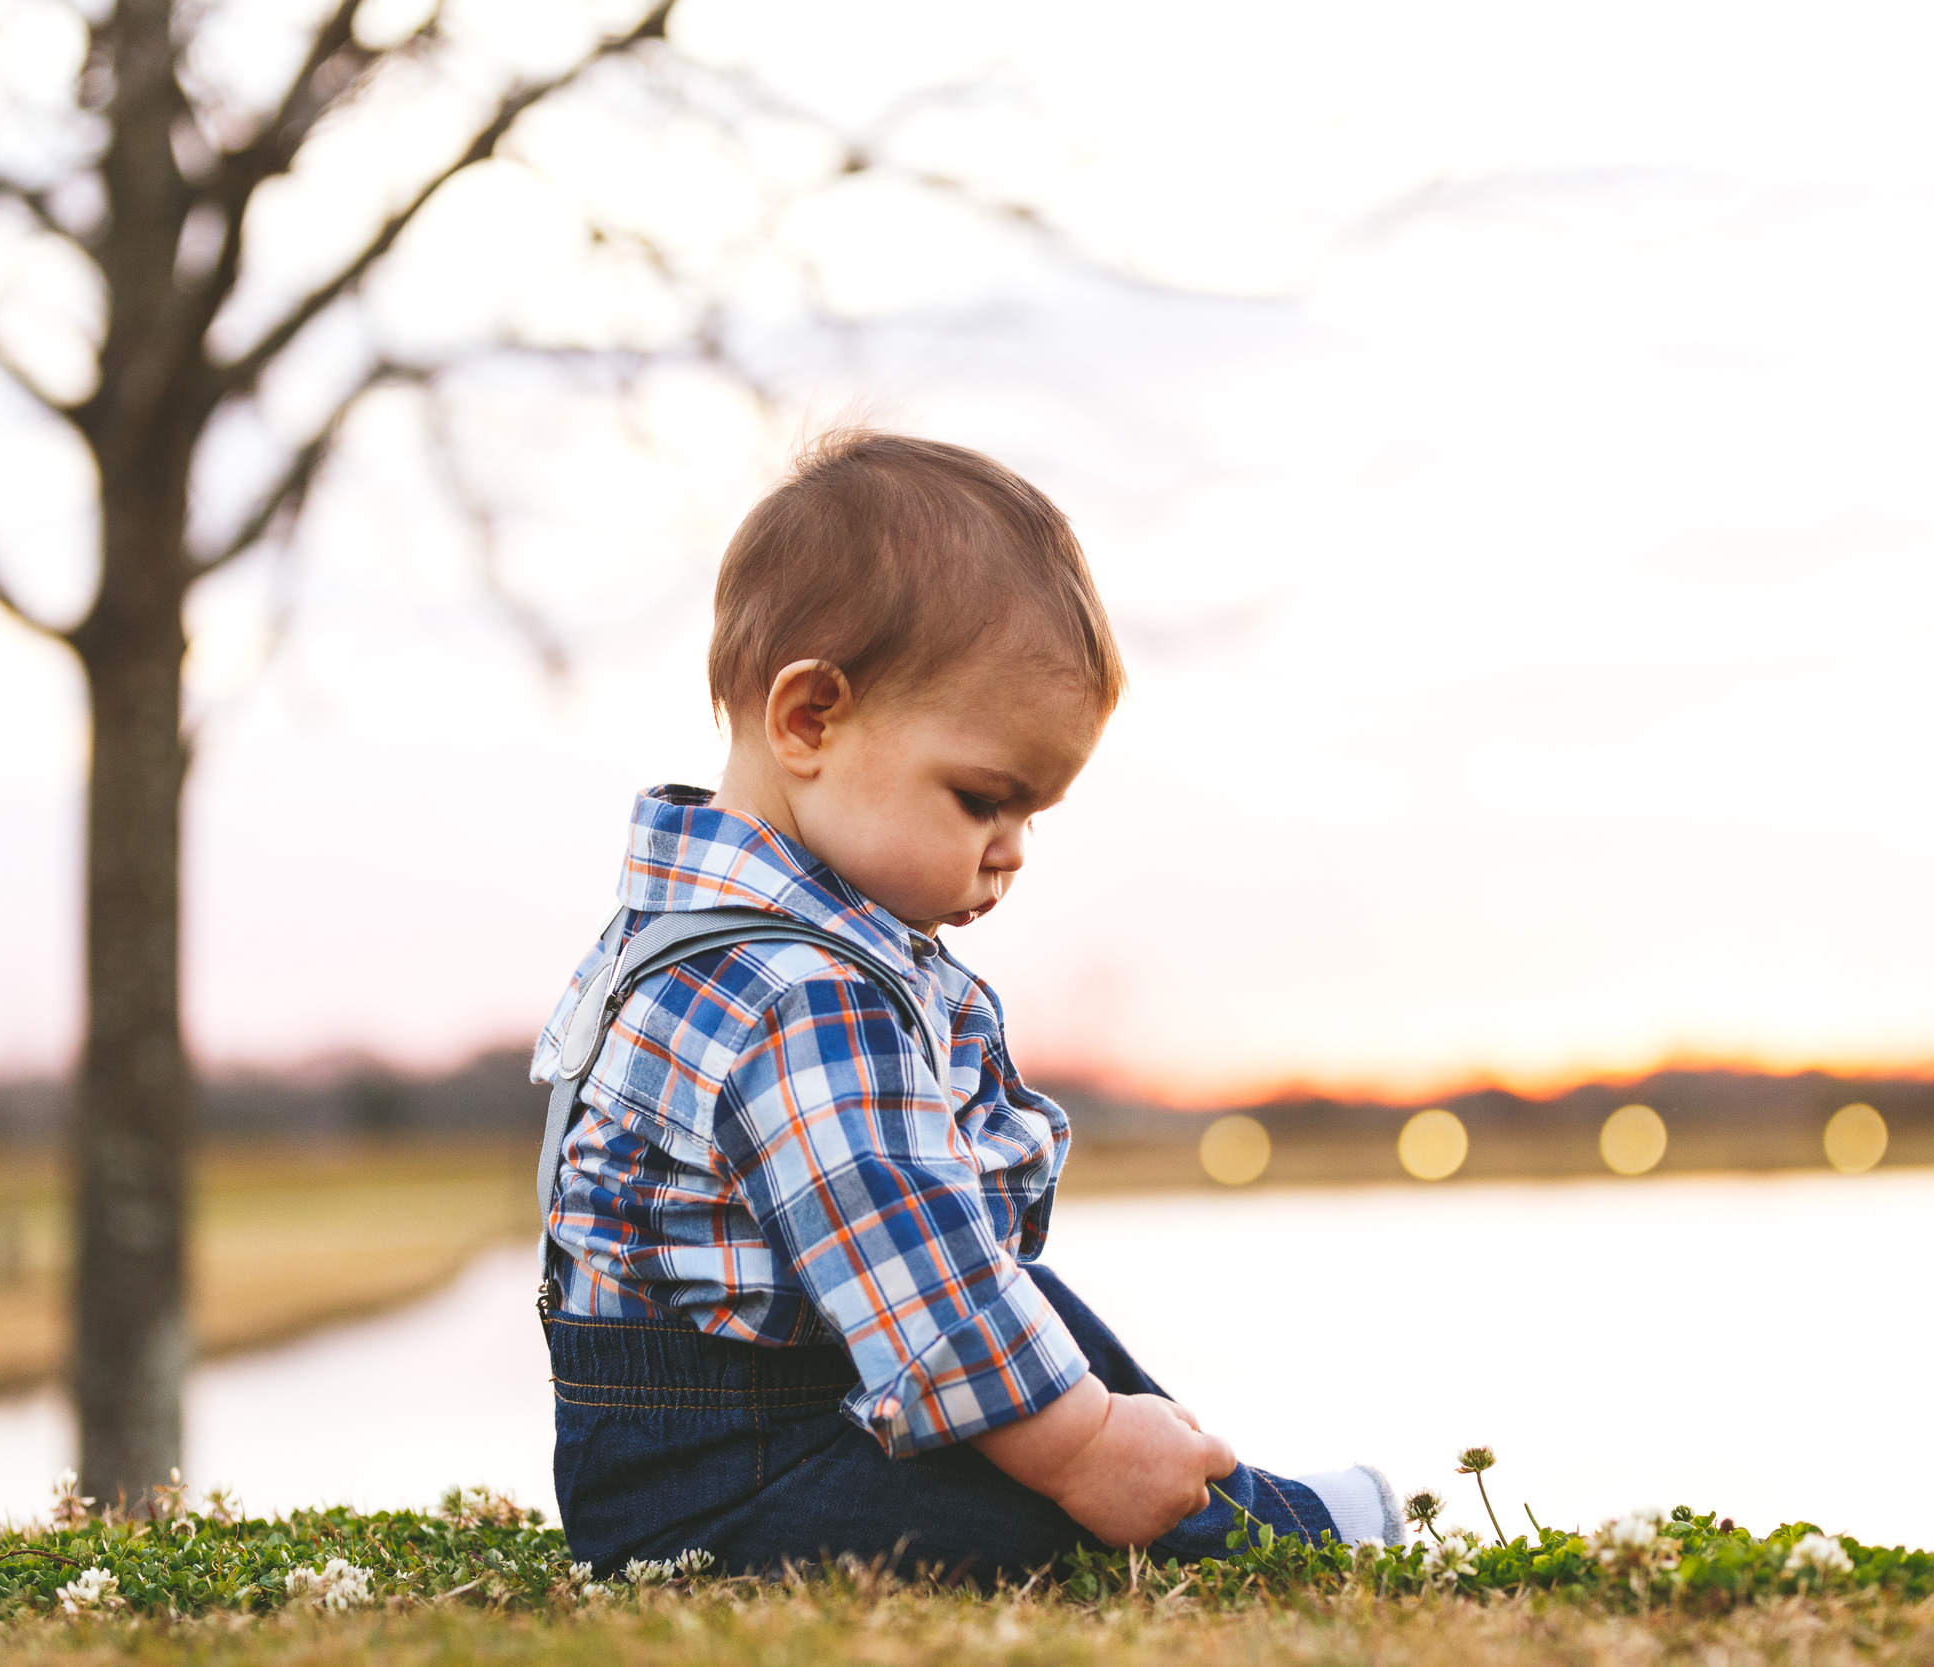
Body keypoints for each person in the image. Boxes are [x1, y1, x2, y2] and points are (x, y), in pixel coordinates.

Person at [532, 431, 1398, 1579]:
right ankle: (1223, 1532)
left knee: (1024, 1305)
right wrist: (1082, 1447)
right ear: (810, 720)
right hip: (737, 1486)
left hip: (728, 1437)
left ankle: (1224, 1496)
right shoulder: (801, 997)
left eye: (1032, 813)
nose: (1013, 851)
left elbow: (946, 1265)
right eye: (984, 798)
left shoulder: (679, 935)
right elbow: (929, 1304)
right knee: (1056, 1529)